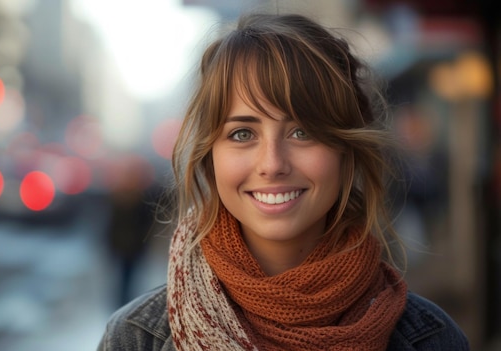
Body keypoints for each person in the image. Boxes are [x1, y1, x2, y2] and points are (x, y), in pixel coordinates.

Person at [98, 13, 470, 351]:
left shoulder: (432, 340)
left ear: (347, 150)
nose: (272, 164)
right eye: (243, 134)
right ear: (210, 157)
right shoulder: (136, 339)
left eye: (303, 131)